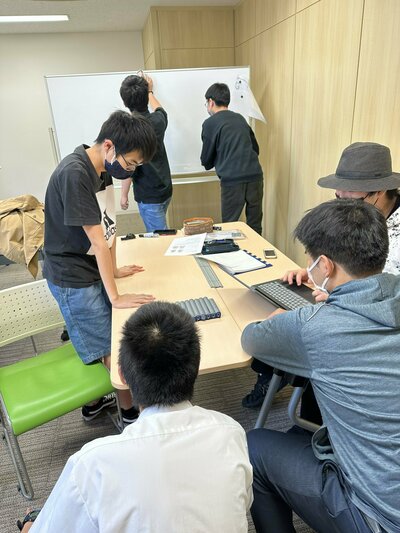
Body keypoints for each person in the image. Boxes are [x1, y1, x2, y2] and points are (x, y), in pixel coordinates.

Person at [22, 302, 253, 532]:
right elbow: (242, 503)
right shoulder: (231, 432)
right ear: (196, 366)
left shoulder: (91, 465)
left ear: (121, 375)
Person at [241, 199, 400, 533]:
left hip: (378, 519)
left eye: (311, 261)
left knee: (254, 445)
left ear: (325, 266)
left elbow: (250, 339)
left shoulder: (314, 326)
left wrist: (285, 318)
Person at [242, 141, 400, 410]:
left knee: (297, 332)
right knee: (282, 320)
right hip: (342, 302)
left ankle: (306, 418)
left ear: (379, 192)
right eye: (338, 198)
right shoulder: (358, 208)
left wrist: (338, 291)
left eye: (350, 199)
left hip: (377, 326)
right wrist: (316, 270)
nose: (343, 204)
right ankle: (275, 375)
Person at [43, 110, 157, 424]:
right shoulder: (76, 173)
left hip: (87, 263)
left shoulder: (102, 169)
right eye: (130, 163)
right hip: (71, 274)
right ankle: (132, 415)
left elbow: (108, 227)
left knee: (104, 333)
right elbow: (96, 240)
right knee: (111, 344)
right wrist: (116, 296)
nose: (130, 170)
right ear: (109, 146)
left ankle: (94, 403)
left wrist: (116, 270)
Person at [200, 82, 264, 235]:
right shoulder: (240, 119)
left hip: (232, 180)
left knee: (229, 226)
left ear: (211, 101)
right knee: (254, 225)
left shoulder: (210, 123)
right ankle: (255, 255)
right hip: (255, 176)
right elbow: (256, 149)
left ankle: (232, 257)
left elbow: (206, 161)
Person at [120, 74, 172, 232]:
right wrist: (150, 91)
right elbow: (160, 109)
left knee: (159, 239)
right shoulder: (159, 121)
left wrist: (123, 195)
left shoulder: (128, 130)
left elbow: (128, 167)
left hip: (148, 195)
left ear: (125, 102)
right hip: (165, 188)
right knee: (162, 233)